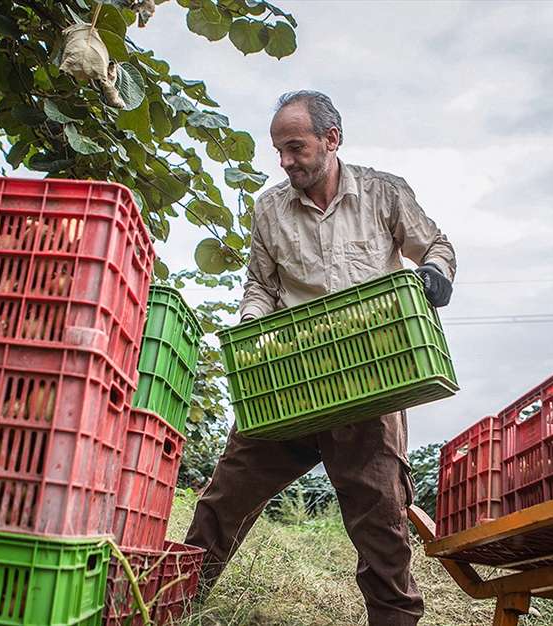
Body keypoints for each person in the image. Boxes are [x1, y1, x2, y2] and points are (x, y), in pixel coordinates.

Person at [184, 90, 456, 626]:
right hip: (291, 379)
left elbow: (436, 246)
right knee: (224, 499)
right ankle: (175, 601)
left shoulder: (384, 194)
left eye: (295, 147)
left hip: (370, 380)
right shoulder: (268, 209)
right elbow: (261, 287)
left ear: (331, 140)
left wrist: (437, 275)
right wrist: (250, 321)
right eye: (278, 151)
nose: (285, 162)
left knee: (381, 520)